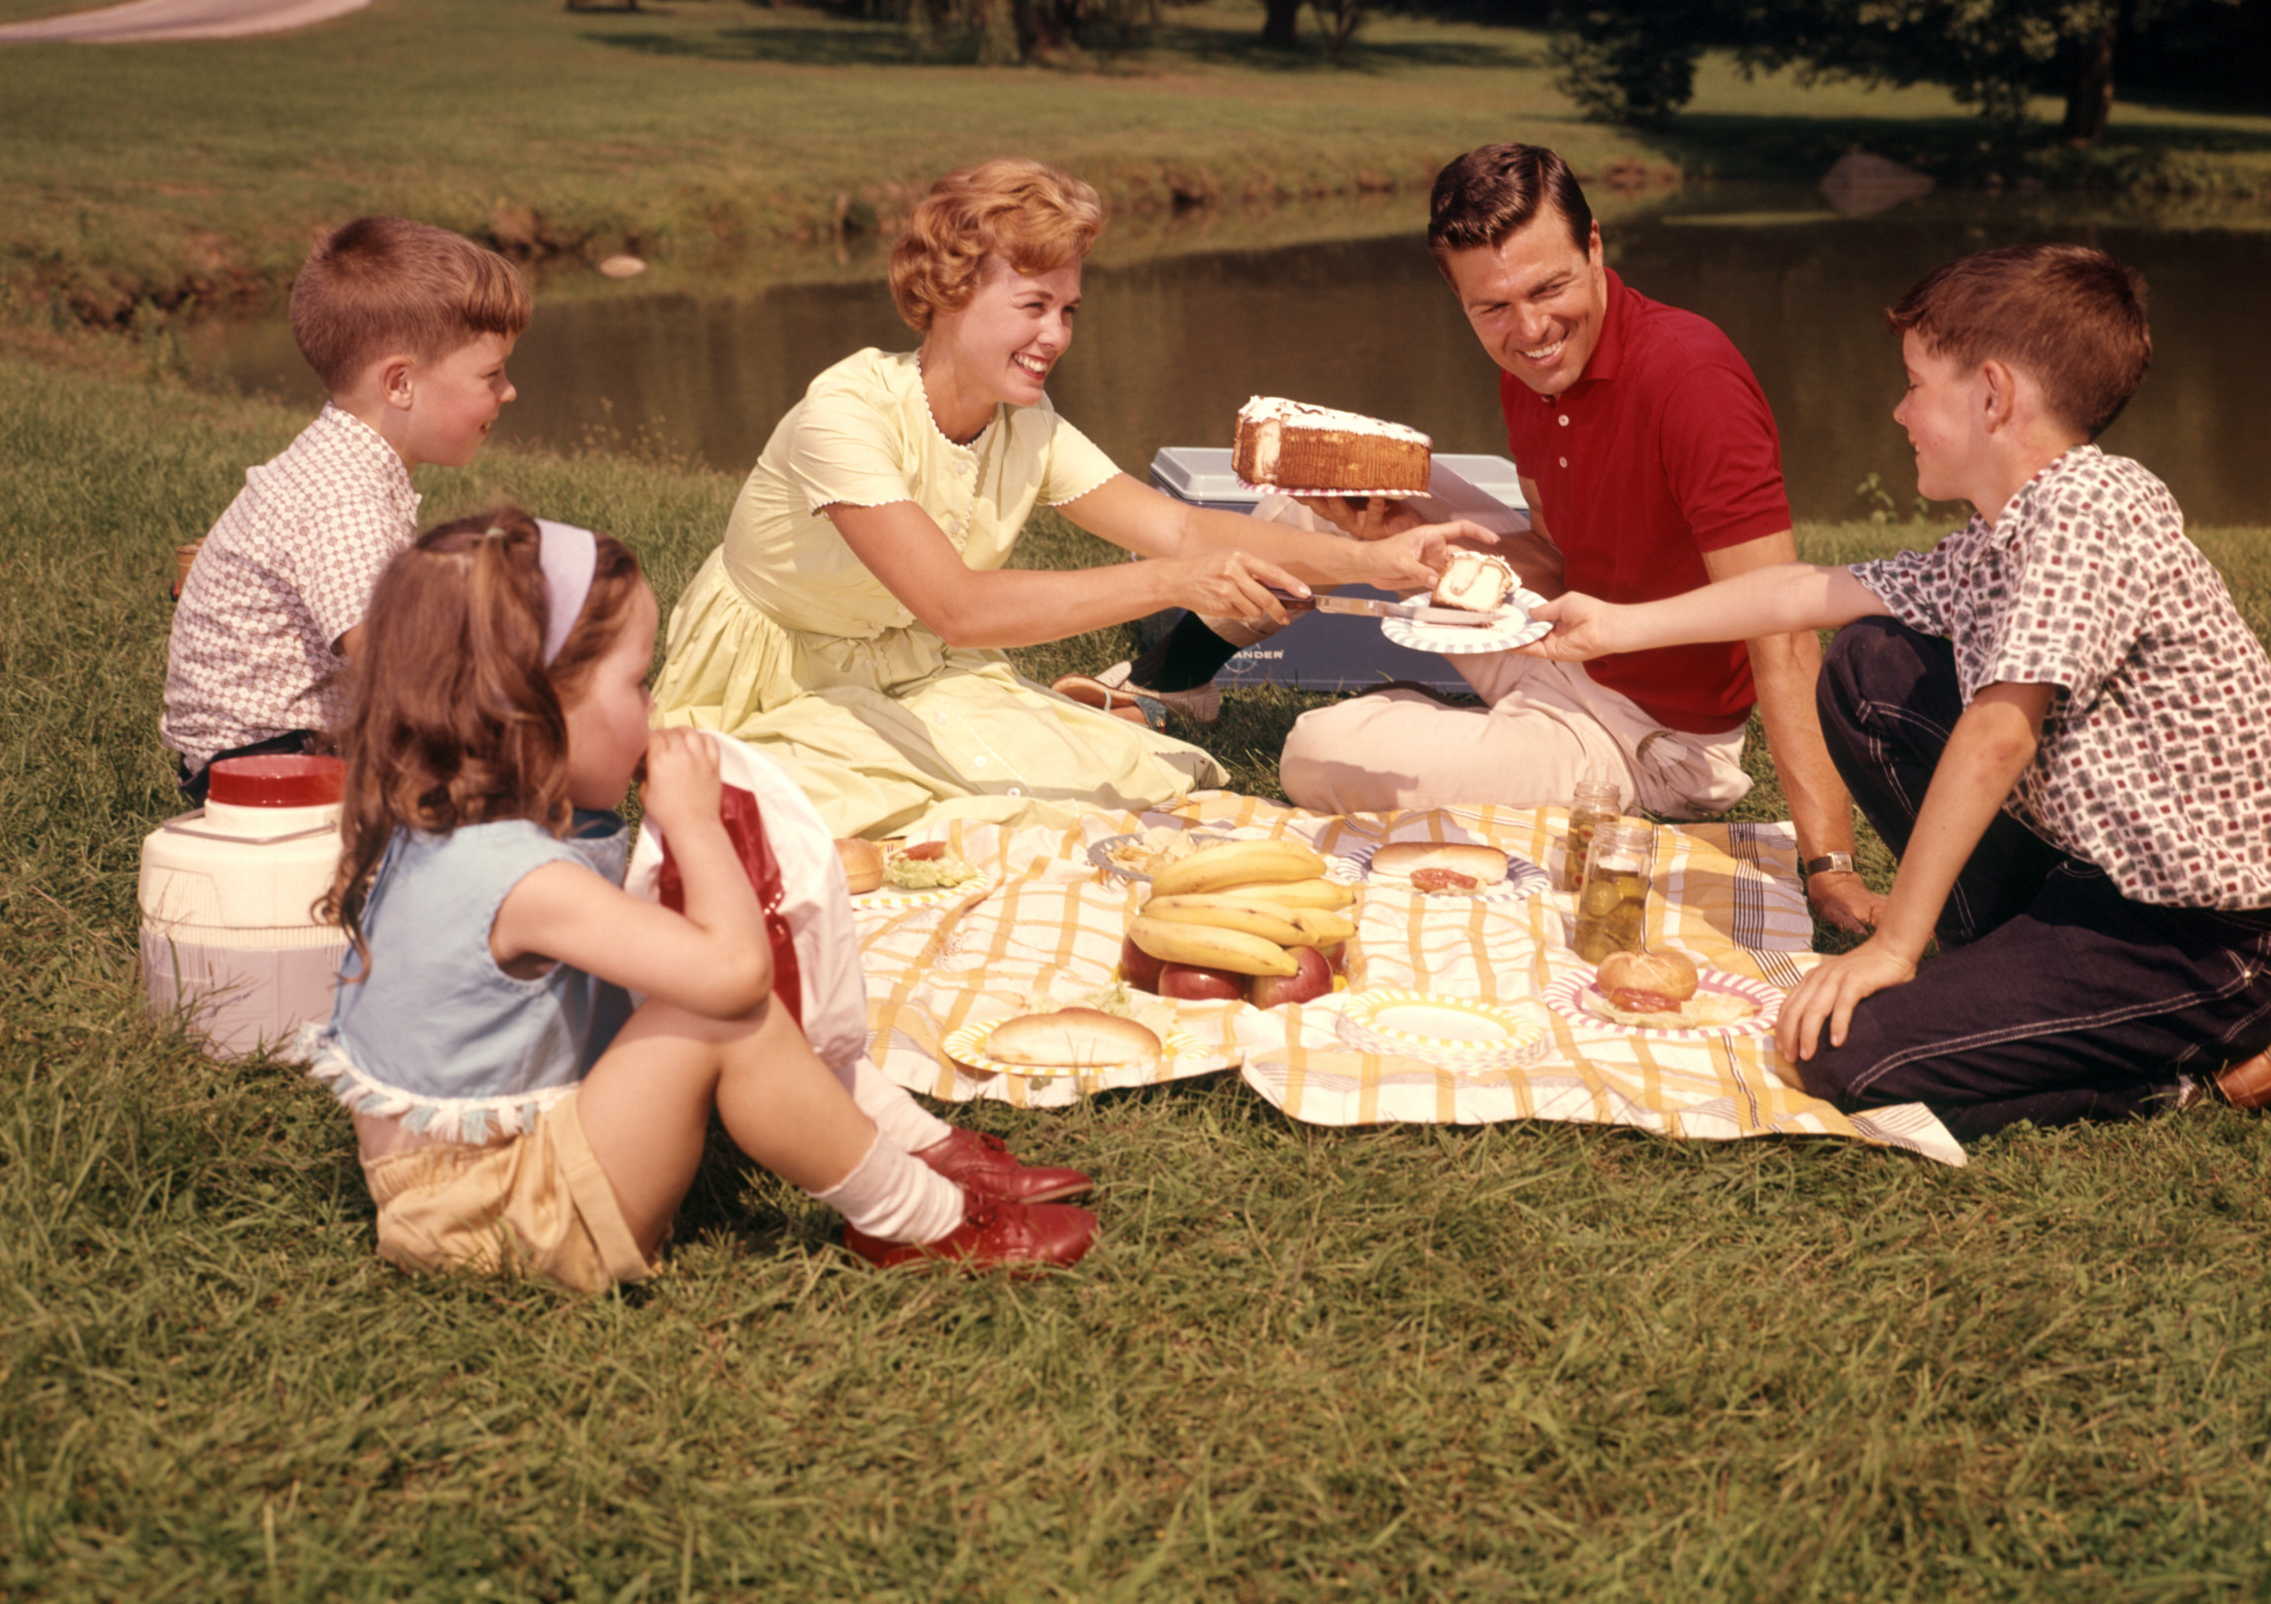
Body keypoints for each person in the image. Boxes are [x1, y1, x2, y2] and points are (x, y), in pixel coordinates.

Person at [1531, 244, 2271, 1141]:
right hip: (2095, 884)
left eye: (1916, 384)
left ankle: (2178, 1070)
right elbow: (1806, 592)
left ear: (1992, 395)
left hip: (2209, 943)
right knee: (1868, 666)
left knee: (1840, 1056)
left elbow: (2000, 734)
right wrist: (1613, 624)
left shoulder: (2091, 510)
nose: (1899, 410)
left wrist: (1891, 945)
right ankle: (1997, 974)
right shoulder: (2004, 531)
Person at [302, 507, 1097, 1290]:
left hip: (491, 1182)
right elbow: (733, 975)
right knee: (721, 1008)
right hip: (496, 1221)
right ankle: (919, 1218)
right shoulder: (518, 875)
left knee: (717, 970)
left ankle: (912, 1144)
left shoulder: (473, 813)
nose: (654, 712)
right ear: (532, 707)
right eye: (638, 682)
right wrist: (689, 821)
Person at [652, 158, 1484, 841]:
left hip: (911, 668)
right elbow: (959, 609)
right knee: (840, 817)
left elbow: (1181, 524)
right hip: (777, 676)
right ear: (948, 294)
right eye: (1033, 306)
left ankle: (1112, 704)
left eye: (1068, 310)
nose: (1055, 335)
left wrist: (1373, 560)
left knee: (1124, 785)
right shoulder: (846, 412)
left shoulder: (1027, 423)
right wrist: (1171, 583)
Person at [1248, 144, 1874, 932]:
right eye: (1494, 307)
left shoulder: (1693, 382)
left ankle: (1443, 733)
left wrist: (1830, 866)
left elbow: (1781, 631)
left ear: (1596, 247)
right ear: (1462, 299)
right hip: (1558, 633)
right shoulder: (1530, 367)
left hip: (1646, 737)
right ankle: (1178, 680)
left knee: (1315, 751)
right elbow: (1554, 559)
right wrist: (1405, 542)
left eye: (1550, 288)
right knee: (1318, 482)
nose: (1532, 328)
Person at [162, 217, 530, 807]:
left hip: (274, 749)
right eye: (492, 374)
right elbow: (397, 659)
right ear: (400, 384)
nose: (509, 391)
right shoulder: (343, 499)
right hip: (264, 765)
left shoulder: (349, 464)